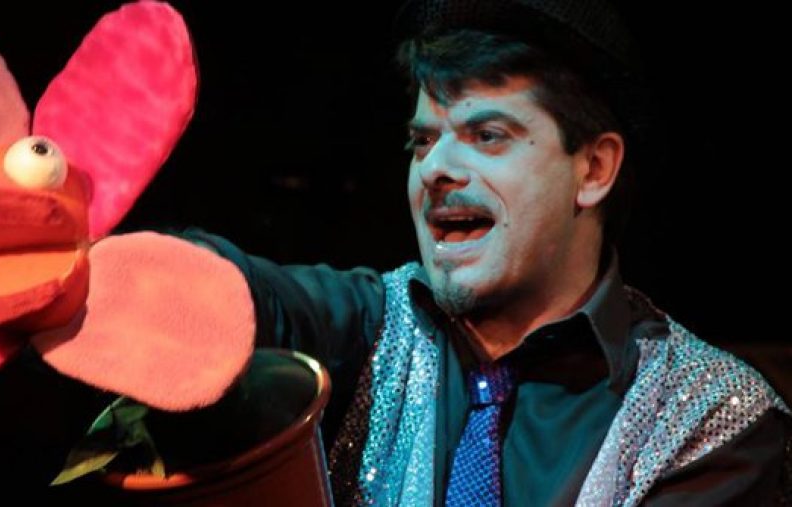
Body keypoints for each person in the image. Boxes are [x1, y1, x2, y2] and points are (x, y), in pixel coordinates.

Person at [170, 0, 791, 504]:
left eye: (487, 135)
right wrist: (121, 272)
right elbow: (225, 292)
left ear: (594, 169)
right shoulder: (370, 329)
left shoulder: (710, 423)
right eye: (422, 141)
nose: (435, 168)